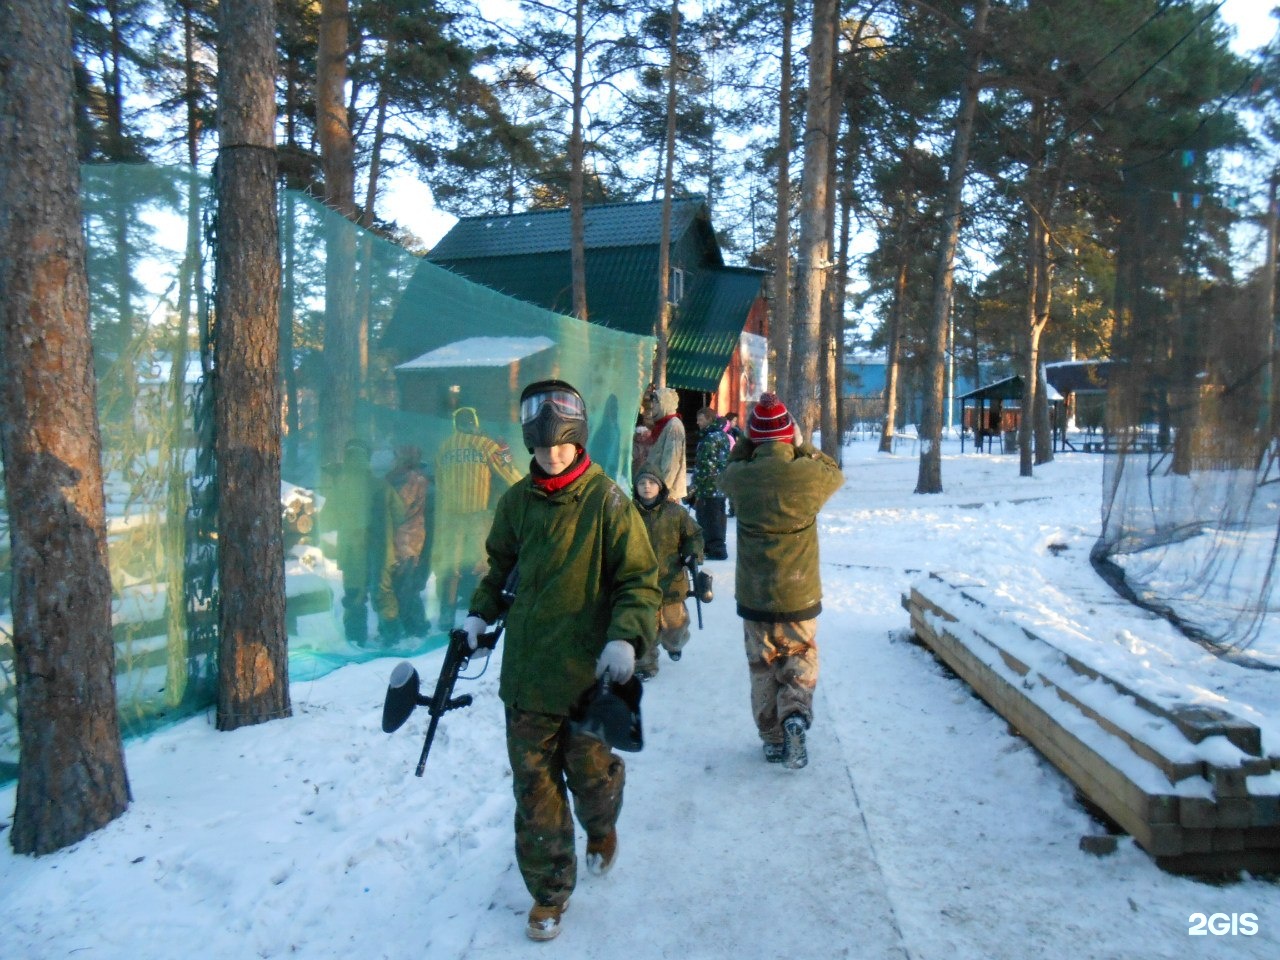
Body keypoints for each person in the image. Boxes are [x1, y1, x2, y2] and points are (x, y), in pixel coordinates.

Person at [462, 379, 660, 942]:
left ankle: (601, 828)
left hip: (586, 681)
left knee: (591, 781)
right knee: (535, 793)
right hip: (527, 678)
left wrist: (625, 638)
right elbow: (499, 568)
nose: (552, 458)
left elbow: (640, 581)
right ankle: (549, 894)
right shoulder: (517, 502)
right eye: (542, 448)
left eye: (562, 447)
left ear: (578, 441)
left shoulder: (609, 502)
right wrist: (480, 615)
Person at [716, 393, 843, 770]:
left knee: (762, 666)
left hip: (755, 594)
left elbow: (725, 471)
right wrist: (803, 448)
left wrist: (745, 446)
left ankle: (771, 739)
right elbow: (835, 472)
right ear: (790, 434)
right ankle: (795, 716)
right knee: (800, 656)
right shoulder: (809, 476)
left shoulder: (741, 477)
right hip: (799, 592)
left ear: (753, 438)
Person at [431, 407, 522, 630]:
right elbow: (509, 471)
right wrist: (529, 486)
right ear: (474, 423)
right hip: (477, 516)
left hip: (451, 518)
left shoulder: (444, 448)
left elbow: (440, 483)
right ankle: (480, 612)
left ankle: (445, 615)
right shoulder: (485, 445)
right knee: (483, 565)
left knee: (452, 567)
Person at [631, 463, 704, 680]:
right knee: (645, 628)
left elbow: (694, 535)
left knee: (675, 627)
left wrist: (692, 553)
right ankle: (645, 665)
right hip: (641, 582)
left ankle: (674, 644)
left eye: (651, 483)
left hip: (671, 581)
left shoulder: (676, 513)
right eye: (642, 483)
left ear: (660, 486)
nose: (646, 487)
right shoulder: (629, 513)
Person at [321, 438, 377, 646]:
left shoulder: (342, 483)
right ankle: (390, 635)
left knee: (354, 594)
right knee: (381, 592)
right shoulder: (373, 481)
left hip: (351, 548)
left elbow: (327, 519)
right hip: (375, 546)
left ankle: (356, 638)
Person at [375, 445, 430, 641]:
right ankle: (416, 627)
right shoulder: (404, 477)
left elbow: (399, 508)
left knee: (405, 587)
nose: (394, 459)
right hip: (405, 540)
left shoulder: (412, 479)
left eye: (397, 456)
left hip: (408, 540)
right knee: (406, 585)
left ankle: (414, 629)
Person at [690, 407, 731, 561]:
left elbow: (705, 466)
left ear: (709, 419)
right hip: (718, 486)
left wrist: (696, 487)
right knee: (715, 516)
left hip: (709, 487)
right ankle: (712, 546)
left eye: (700, 419)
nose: (697, 423)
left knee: (710, 518)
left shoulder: (710, 438)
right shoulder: (721, 436)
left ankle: (715, 548)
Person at [644, 385, 687, 501]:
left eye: (656, 403)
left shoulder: (673, 426)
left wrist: (662, 489)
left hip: (667, 493)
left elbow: (671, 462)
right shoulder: (663, 425)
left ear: (665, 404)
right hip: (657, 487)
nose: (653, 407)